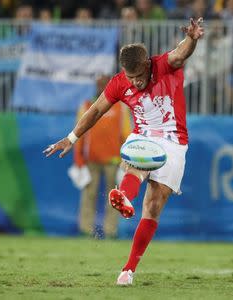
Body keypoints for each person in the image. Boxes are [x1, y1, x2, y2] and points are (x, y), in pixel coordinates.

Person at [43, 17, 205, 285]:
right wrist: (71, 138)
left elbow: (181, 53)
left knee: (154, 204)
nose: (136, 83)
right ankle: (124, 196)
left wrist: (192, 39)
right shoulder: (120, 83)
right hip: (142, 136)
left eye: (139, 77)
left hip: (174, 139)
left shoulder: (164, 65)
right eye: (131, 78)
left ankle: (128, 268)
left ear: (146, 65)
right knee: (136, 163)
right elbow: (95, 110)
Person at [73, 74, 131, 239]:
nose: (102, 87)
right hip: (91, 160)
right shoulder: (87, 106)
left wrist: (127, 160)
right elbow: (79, 133)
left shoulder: (121, 107)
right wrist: (78, 158)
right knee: (88, 195)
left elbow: (126, 135)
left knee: (114, 198)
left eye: (105, 84)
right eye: (100, 84)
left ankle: (110, 231)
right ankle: (85, 230)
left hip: (114, 161)